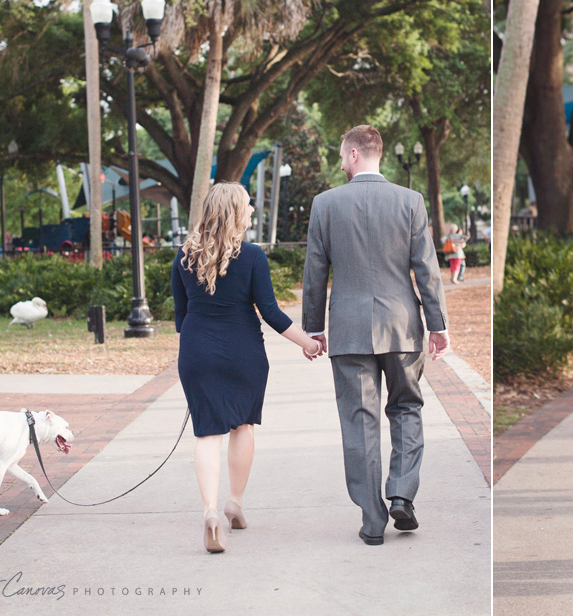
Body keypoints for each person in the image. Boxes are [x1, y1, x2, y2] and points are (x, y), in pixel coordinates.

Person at [302, 124, 449, 546]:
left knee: (359, 420)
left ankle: (372, 521)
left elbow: (315, 272)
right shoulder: (410, 201)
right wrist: (438, 326)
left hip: (348, 329)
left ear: (352, 155)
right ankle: (401, 492)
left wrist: (314, 327)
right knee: (406, 408)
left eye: (341, 155)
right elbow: (427, 269)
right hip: (401, 327)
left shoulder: (325, 204)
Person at [172, 182, 322, 554]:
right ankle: (234, 503)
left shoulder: (184, 255)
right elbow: (269, 312)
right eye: (249, 205)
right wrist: (308, 343)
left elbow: (180, 316)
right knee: (243, 425)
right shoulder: (253, 256)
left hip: (197, 351)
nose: (253, 210)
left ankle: (210, 513)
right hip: (244, 353)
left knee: (207, 433)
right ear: (236, 212)